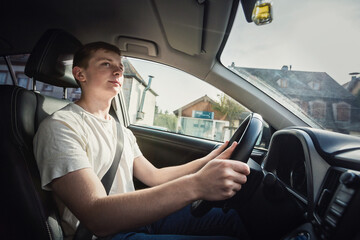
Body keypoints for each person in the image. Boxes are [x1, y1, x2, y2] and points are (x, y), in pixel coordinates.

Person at [33, 42, 251, 240]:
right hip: (103, 235)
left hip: (138, 219)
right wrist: (196, 185)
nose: (118, 71)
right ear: (80, 74)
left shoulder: (121, 130)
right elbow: (97, 216)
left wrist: (209, 160)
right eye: (106, 64)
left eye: (120, 66)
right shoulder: (60, 126)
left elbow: (154, 176)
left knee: (230, 218)